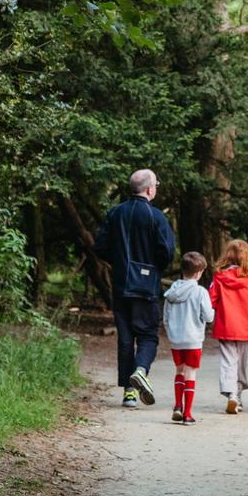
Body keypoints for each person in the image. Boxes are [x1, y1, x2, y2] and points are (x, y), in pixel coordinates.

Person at [93, 169, 175, 408]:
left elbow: (100, 247)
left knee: (126, 337)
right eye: (156, 184)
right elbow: (167, 252)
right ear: (150, 189)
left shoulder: (115, 213)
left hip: (120, 285)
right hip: (146, 286)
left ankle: (129, 392)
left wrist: (120, 263)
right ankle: (140, 371)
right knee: (148, 335)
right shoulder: (155, 216)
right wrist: (152, 266)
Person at [209, 238, 248, 414]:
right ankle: (238, 395)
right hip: (245, 327)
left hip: (225, 325)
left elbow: (210, 300)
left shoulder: (219, 277)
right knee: (241, 362)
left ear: (226, 256)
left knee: (229, 361)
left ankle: (232, 395)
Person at [162, 251, 215, 424]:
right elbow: (208, 317)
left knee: (179, 371)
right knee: (190, 373)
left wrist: (171, 332)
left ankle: (177, 405)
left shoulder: (171, 292)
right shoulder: (200, 292)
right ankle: (187, 413)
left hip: (176, 339)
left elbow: (165, 317)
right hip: (193, 339)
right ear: (199, 273)